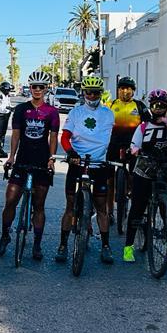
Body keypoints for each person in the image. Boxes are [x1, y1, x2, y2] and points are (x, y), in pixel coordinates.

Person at [0, 71, 60, 261]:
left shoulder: (52, 112)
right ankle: (5, 235)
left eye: (42, 87)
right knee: (10, 201)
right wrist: (11, 157)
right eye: (34, 87)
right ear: (30, 88)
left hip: (41, 161)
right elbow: (15, 134)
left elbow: (53, 137)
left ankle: (37, 245)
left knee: (39, 206)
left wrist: (51, 158)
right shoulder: (21, 109)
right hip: (22, 160)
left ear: (46, 89)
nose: (38, 90)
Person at [123, 89, 167, 264]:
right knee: (137, 207)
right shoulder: (144, 126)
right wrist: (134, 150)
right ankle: (128, 246)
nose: (159, 109)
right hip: (146, 170)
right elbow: (134, 145)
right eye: (155, 106)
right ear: (151, 107)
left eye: (162, 105)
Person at [56, 75, 116, 264]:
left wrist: (113, 157)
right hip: (77, 163)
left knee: (102, 208)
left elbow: (110, 138)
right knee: (70, 207)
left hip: (99, 164)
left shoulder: (108, 114)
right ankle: (63, 245)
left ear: (100, 93)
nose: (91, 96)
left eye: (95, 92)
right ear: (83, 93)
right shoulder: (75, 113)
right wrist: (70, 152)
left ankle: (106, 246)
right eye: (88, 92)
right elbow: (64, 137)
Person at [106, 76, 150, 224]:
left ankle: (133, 199)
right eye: (122, 88)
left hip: (133, 146)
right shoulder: (110, 105)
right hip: (113, 145)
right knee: (109, 179)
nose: (126, 91)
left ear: (133, 91)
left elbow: (149, 124)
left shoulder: (139, 106)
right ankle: (109, 211)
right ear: (118, 90)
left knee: (134, 176)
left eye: (129, 89)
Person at [0, 81, 13, 156]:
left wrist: (12, 108)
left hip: (6, 116)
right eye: (7, 89)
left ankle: (0, 149)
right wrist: (6, 108)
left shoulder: (7, 96)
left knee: (3, 134)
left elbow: (9, 104)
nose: (8, 91)